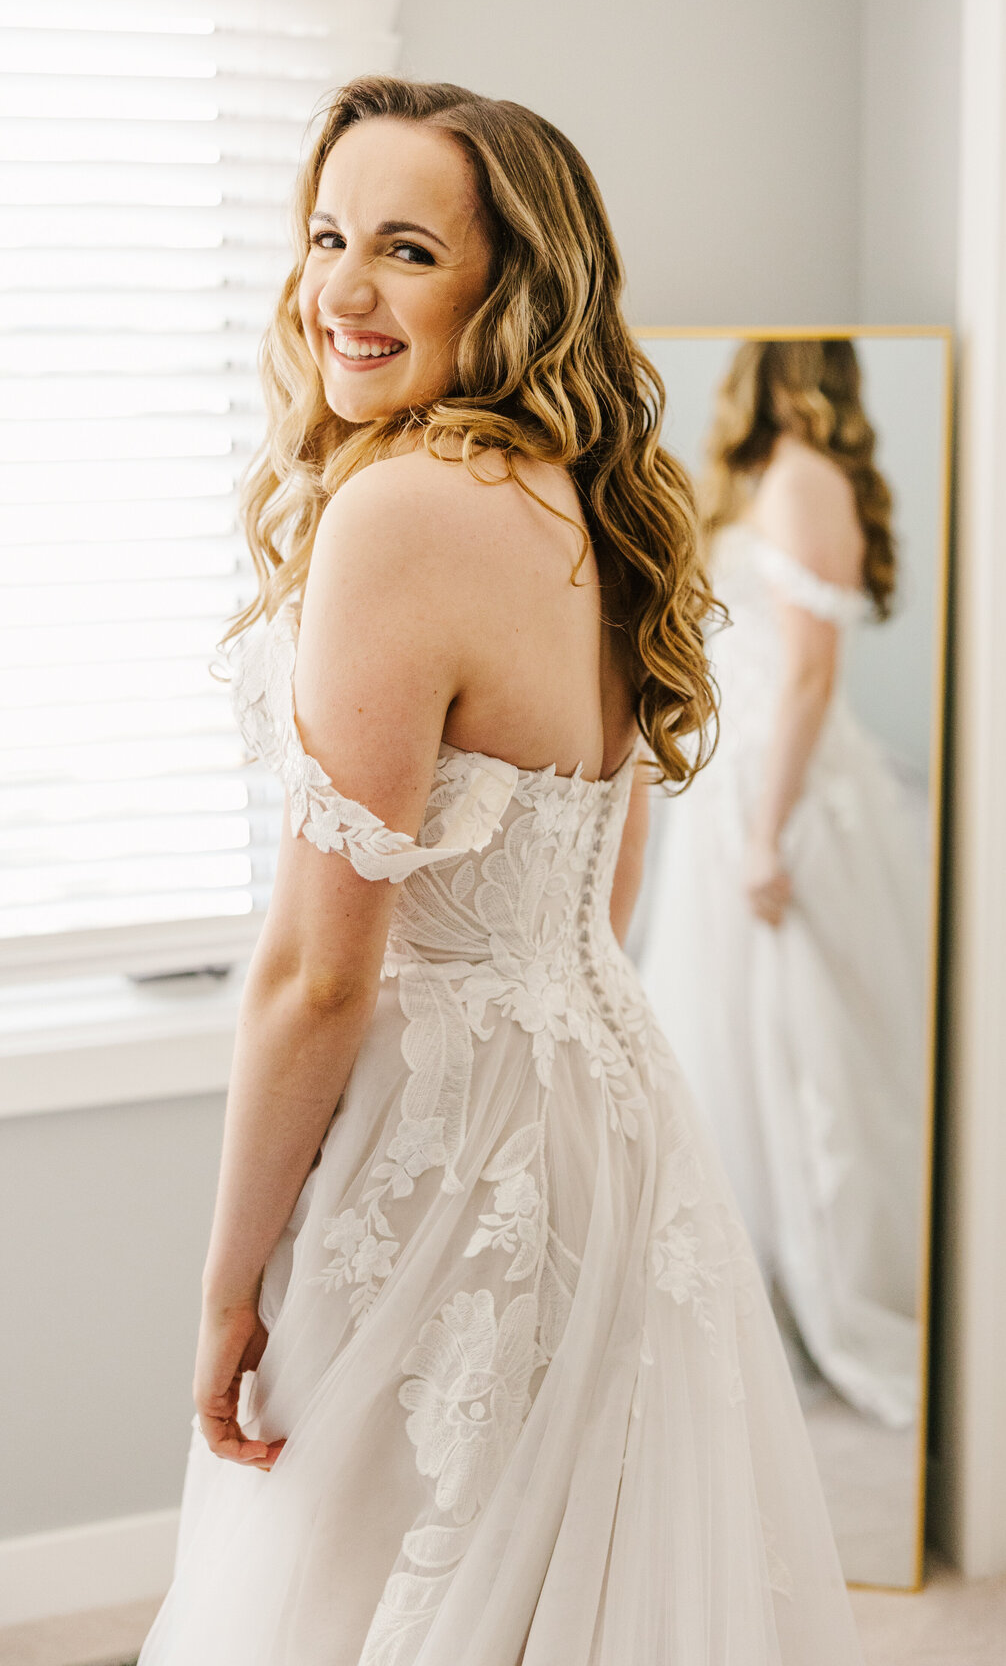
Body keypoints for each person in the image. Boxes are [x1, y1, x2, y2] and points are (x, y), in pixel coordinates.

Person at [138, 81, 863, 1665]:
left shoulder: (397, 510)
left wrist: (224, 1288)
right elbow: (604, 878)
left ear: (512, 286)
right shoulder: (594, 505)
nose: (341, 287)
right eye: (328, 235)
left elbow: (320, 971)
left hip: (443, 1136)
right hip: (606, 1109)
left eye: (406, 248)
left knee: (365, 1583)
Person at [638, 339, 927, 1431]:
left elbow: (810, 670)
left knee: (803, 1053)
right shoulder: (777, 473)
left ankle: (826, 1290)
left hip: (783, 798)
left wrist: (765, 832)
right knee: (729, 1044)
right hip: (745, 789)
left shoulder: (804, 476)